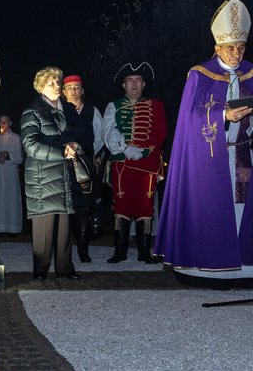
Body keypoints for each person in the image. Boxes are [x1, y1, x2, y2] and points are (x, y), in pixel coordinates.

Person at [154, 0, 253, 288]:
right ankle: (206, 270)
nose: (237, 53)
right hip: (209, 158)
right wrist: (223, 115)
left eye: (241, 47)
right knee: (211, 212)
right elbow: (189, 119)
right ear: (217, 48)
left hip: (243, 154)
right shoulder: (199, 74)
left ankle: (242, 271)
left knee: (241, 210)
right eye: (230, 47)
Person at [100, 65, 168, 264]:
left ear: (144, 84)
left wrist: (145, 150)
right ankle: (120, 252)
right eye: (130, 80)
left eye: (138, 80)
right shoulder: (113, 106)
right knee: (121, 205)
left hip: (148, 163)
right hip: (122, 163)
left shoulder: (156, 105)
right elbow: (107, 132)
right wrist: (124, 147)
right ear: (124, 85)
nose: (134, 84)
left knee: (145, 206)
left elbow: (161, 132)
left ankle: (144, 253)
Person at [22, 67, 81, 280]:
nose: (57, 86)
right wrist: (61, 152)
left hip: (66, 173)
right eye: (51, 83)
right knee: (44, 226)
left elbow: (81, 134)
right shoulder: (33, 111)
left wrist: (76, 146)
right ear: (41, 87)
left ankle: (64, 268)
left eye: (58, 81)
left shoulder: (68, 109)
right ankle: (41, 269)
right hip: (42, 176)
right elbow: (30, 145)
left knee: (65, 225)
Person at [62, 75, 104, 260]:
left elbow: (100, 136)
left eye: (77, 87)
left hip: (84, 164)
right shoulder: (58, 110)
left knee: (83, 207)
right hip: (62, 163)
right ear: (64, 91)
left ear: (82, 90)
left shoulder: (92, 111)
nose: (73, 91)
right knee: (63, 207)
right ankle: (63, 251)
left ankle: (83, 251)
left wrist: (91, 154)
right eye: (70, 87)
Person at [0, 114, 24, 236]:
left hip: (10, 174)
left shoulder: (16, 138)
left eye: (5, 121)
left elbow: (21, 156)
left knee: (11, 200)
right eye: (1, 122)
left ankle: (12, 228)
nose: (3, 124)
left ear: (10, 123)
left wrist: (8, 156)